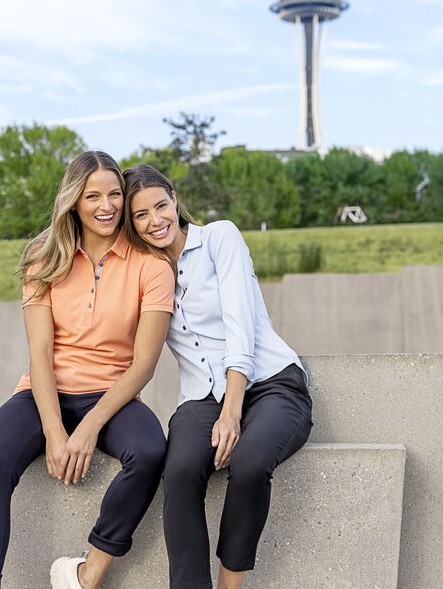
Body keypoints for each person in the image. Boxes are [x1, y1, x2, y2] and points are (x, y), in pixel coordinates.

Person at [0, 152, 174, 589]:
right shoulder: (43, 258)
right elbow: (40, 353)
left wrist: (90, 426)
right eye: (93, 195)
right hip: (43, 393)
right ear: (74, 201)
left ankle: (87, 568)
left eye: (115, 194)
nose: (106, 206)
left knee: (151, 450)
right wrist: (56, 432)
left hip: (113, 397)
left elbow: (144, 365)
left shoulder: (152, 266)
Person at [122, 164, 313, 589]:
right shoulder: (144, 273)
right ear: (131, 224)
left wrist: (232, 411)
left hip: (270, 383)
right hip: (199, 398)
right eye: (141, 215)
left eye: (160, 205)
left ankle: (228, 586)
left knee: (248, 462)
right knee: (180, 470)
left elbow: (239, 327)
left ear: (174, 199)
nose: (156, 220)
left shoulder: (219, 237)